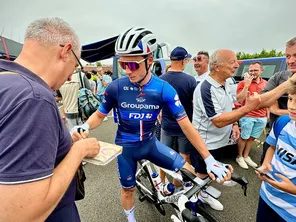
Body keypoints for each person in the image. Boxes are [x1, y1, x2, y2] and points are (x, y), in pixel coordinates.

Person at [72, 27, 233, 222]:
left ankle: (192, 205)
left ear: (149, 61)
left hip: (151, 145)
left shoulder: (163, 88)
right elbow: (99, 115)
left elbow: (186, 125)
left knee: (190, 175)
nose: (126, 70)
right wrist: (86, 126)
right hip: (126, 149)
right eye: (122, 63)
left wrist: (209, 160)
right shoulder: (116, 87)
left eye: (132, 65)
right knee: (128, 190)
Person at [0, 18, 100, 222]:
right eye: (75, 65)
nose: (71, 76)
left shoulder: (6, 80)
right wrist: (78, 151)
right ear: (66, 51)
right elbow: (21, 214)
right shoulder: (34, 98)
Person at [191, 48, 296, 211]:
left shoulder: (226, 83)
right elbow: (218, 121)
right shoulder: (205, 89)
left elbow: (232, 104)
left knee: (212, 171)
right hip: (206, 143)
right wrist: (248, 108)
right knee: (202, 172)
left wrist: (234, 124)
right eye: (232, 62)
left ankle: (205, 190)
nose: (238, 65)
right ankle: (196, 199)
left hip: (220, 141)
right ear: (217, 66)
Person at [256, 81, 296, 222]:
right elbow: (272, 147)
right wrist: (266, 164)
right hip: (268, 196)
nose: (292, 106)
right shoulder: (283, 122)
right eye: (290, 98)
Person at [259, 37, 296, 164]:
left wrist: (278, 110)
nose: (291, 61)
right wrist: (287, 84)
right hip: (277, 132)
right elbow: (261, 100)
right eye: (288, 56)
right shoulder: (280, 76)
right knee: (266, 168)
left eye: (295, 55)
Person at [160, 46, 196, 163]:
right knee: (184, 157)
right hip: (184, 126)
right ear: (183, 61)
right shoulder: (190, 80)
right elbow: (194, 104)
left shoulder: (160, 80)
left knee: (165, 155)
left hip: (166, 125)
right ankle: (182, 180)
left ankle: (162, 180)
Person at [236, 62, 268, 169]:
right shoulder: (242, 83)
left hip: (261, 117)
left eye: (255, 70)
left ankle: (246, 156)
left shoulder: (266, 83)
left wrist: (267, 114)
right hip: (248, 116)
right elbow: (239, 99)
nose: (253, 73)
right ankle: (239, 156)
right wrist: (246, 85)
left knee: (252, 138)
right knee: (244, 137)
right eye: (251, 70)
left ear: (261, 71)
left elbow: (267, 99)